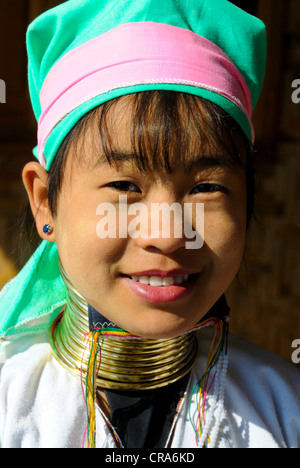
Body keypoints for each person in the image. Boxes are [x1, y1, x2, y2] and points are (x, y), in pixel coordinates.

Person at [0, 0, 299, 449]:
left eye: (206, 188)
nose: (166, 234)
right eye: (124, 185)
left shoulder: (284, 410)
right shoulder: (9, 406)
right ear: (45, 203)